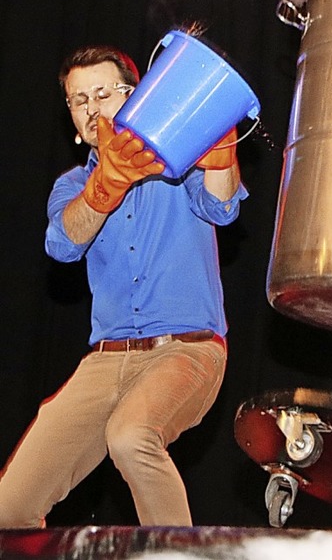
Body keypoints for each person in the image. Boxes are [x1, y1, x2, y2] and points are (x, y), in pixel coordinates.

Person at [0, 44, 247, 527]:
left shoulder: (178, 158)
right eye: (78, 100)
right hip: (105, 360)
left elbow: (222, 207)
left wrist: (218, 158)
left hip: (187, 351)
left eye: (103, 93)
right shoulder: (71, 184)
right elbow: (64, 243)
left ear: (136, 97)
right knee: (9, 506)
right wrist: (105, 185)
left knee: (131, 435)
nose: (92, 108)